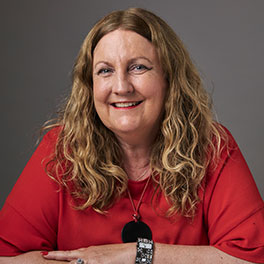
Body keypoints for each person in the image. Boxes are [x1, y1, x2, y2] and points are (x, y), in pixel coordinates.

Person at [0, 7, 263, 264]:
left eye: (138, 67)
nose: (122, 87)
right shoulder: (61, 150)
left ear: (169, 79)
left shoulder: (212, 147)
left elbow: (253, 257)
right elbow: (5, 256)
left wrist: (136, 255)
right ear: (89, 86)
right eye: (105, 70)